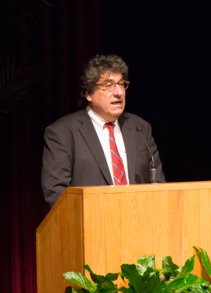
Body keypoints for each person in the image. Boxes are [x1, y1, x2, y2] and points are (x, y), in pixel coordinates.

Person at [41, 54, 166, 207]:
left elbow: (158, 183)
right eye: (109, 85)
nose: (119, 92)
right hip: (91, 225)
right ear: (88, 93)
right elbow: (56, 193)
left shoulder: (140, 128)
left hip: (138, 222)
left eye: (121, 84)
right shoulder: (63, 132)